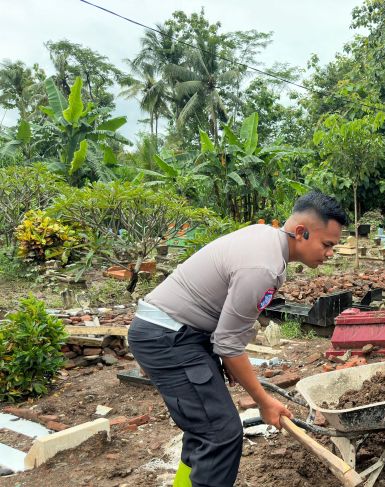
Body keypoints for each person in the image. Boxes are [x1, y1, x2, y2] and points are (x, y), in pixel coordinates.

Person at [127, 192, 347, 487]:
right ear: (301, 232)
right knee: (221, 435)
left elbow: (229, 331)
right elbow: (229, 343)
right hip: (168, 337)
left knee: (203, 429)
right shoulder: (263, 267)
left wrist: (226, 362)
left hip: (181, 334)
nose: (330, 253)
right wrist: (263, 400)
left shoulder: (267, 241)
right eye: (327, 244)